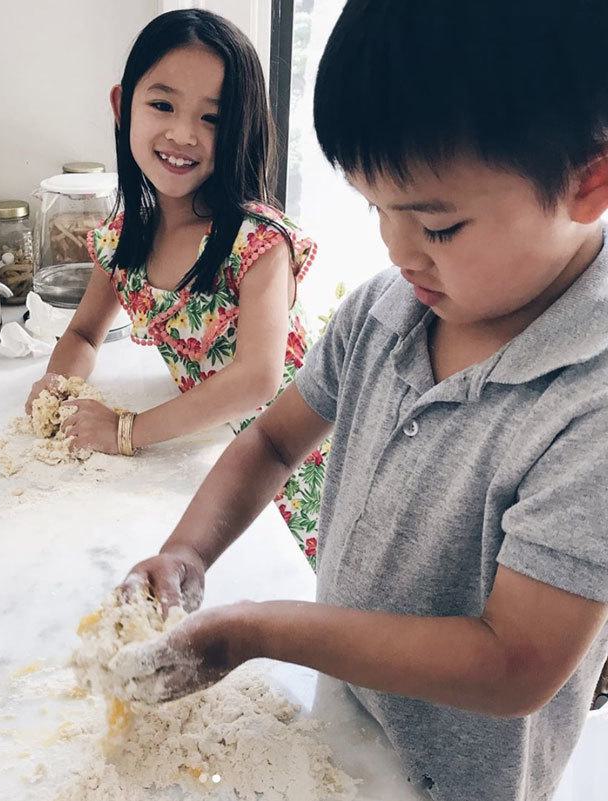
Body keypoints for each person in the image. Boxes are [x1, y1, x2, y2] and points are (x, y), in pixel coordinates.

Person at [112, 2, 608, 799]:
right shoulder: (386, 310)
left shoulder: (590, 402)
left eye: (437, 225)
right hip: (343, 712)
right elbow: (272, 443)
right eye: (375, 208)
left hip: (457, 778)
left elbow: (513, 662)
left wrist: (260, 629)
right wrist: (187, 551)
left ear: (589, 182)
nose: (396, 248)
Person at [26, 9, 325, 566]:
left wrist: (126, 430)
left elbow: (257, 381)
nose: (183, 134)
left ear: (242, 128)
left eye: (212, 118)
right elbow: (86, 335)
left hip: (305, 462)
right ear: (122, 107)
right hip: (216, 459)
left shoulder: (258, 242)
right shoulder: (124, 239)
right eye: (162, 105)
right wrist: (56, 386)